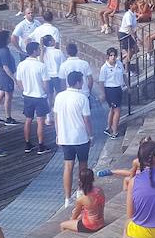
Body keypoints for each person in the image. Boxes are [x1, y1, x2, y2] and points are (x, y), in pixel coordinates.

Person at [53, 71, 93, 209]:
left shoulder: (59, 96)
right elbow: (86, 119)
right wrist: (90, 135)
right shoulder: (82, 98)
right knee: (83, 166)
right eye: (81, 81)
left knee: (68, 167)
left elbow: (56, 117)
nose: (83, 83)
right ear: (77, 82)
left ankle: (66, 198)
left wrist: (58, 135)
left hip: (65, 137)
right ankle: (81, 191)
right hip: (80, 137)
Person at [15, 42, 51, 155]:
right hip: (39, 96)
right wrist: (46, 92)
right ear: (35, 51)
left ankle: (27, 144)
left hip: (28, 96)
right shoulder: (41, 65)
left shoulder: (21, 65)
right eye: (38, 49)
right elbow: (46, 84)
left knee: (28, 120)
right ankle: (41, 145)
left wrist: (24, 90)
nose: (40, 51)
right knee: (40, 121)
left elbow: (19, 81)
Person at [60, 168, 105, 234]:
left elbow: (75, 215)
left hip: (90, 226)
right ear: (93, 179)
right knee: (80, 217)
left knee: (63, 225)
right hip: (101, 222)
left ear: (80, 181)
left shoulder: (81, 199)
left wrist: (71, 220)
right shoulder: (100, 191)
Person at [99, 47, 125, 139]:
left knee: (112, 110)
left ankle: (108, 127)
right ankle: (114, 131)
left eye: (114, 55)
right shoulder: (104, 68)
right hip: (110, 90)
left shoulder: (119, 64)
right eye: (111, 55)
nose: (113, 57)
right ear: (108, 57)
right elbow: (101, 82)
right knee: (117, 110)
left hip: (118, 88)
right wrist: (102, 93)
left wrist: (127, 86)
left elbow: (123, 75)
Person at [0, 31, 18, 126]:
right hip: (6, 76)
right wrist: (13, 78)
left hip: (2, 75)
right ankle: (8, 117)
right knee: (8, 96)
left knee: (1, 94)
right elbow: (6, 67)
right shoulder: (4, 51)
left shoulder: (2, 49)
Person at [118, 0, 139, 66]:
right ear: (130, 5)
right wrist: (134, 37)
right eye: (135, 4)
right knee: (130, 52)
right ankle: (127, 69)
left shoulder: (133, 14)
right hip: (124, 35)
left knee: (136, 49)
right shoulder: (128, 15)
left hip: (128, 34)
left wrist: (136, 37)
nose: (137, 5)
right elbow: (129, 27)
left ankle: (119, 59)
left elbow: (133, 27)